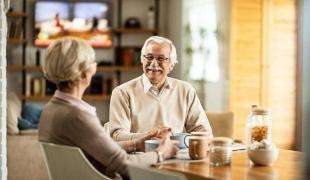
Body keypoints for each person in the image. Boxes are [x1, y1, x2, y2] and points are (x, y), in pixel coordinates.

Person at [38, 38, 178, 179]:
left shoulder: (51, 108)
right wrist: (160, 153)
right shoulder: (77, 116)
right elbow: (125, 165)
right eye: (92, 63)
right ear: (83, 74)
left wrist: (137, 144)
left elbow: (99, 150)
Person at [109, 36, 212, 141]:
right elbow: (117, 137)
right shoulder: (122, 92)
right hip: (138, 156)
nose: (153, 64)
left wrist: (182, 142)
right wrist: (149, 136)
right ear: (142, 60)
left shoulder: (186, 90)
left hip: (176, 155)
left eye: (161, 58)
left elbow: (203, 132)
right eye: (149, 57)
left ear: (171, 65)